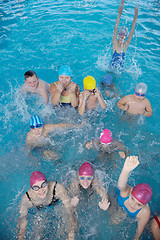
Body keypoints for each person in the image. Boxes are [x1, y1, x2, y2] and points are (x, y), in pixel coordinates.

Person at [17, 171, 75, 240]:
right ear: (32, 188)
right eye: (36, 188)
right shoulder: (27, 199)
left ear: (47, 183)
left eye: (43, 185)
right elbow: (23, 219)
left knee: (62, 229)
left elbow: (69, 211)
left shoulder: (57, 188)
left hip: (57, 205)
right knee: (38, 234)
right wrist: (21, 235)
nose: (41, 190)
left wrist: (71, 233)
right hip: (39, 210)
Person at [117, 155, 152, 239]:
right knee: (114, 221)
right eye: (132, 199)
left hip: (124, 209)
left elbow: (137, 235)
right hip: (116, 201)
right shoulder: (126, 193)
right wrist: (126, 170)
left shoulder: (144, 212)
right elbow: (121, 186)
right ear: (131, 192)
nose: (133, 205)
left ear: (144, 205)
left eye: (139, 204)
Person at [111, 0, 138, 70]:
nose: (122, 36)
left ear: (126, 36)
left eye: (124, 34)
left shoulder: (125, 45)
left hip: (119, 73)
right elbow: (116, 27)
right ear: (118, 35)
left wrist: (135, 15)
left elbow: (132, 31)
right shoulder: (115, 43)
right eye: (121, 33)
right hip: (110, 70)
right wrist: (119, 14)